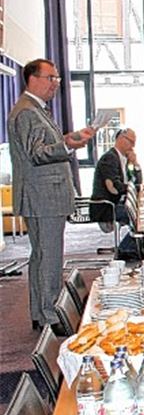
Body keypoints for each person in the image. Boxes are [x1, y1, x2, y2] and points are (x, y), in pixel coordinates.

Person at [7, 58, 94, 331]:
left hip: (43, 195)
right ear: (33, 78)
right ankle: (51, 316)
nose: (56, 84)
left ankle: (40, 311)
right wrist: (67, 144)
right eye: (51, 78)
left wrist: (69, 140)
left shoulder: (35, 108)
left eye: (56, 78)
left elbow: (45, 146)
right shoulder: (28, 112)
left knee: (41, 256)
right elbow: (38, 153)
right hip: (43, 196)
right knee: (50, 258)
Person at [90, 128, 136, 226]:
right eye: (131, 142)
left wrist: (135, 163)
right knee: (136, 215)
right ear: (121, 139)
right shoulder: (109, 158)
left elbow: (135, 181)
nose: (133, 146)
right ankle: (132, 241)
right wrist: (138, 188)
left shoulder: (124, 159)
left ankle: (139, 240)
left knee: (139, 213)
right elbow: (114, 187)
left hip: (118, 203)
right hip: (106, 207)